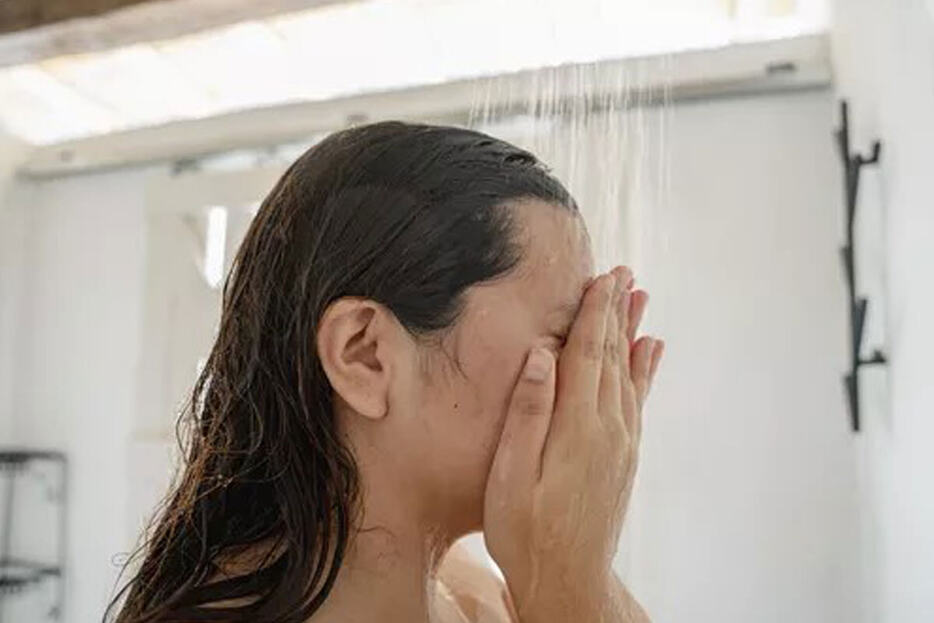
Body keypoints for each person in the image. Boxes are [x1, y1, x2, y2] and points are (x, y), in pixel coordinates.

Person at [106, 120, 664, 623]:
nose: (598, 387)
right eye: (567, 339)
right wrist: (569, 586)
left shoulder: (482, 594)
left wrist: (572, 580)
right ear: (365, 354)